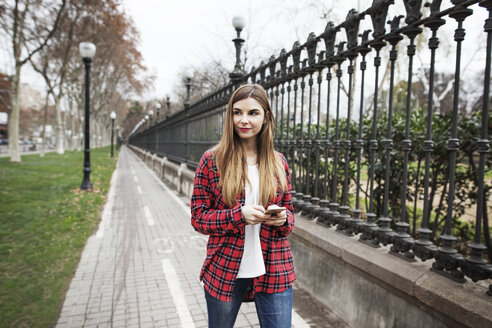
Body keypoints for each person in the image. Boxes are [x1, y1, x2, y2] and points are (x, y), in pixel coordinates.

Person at [191, 83, 296, 328]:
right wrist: (238, 216)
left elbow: (290, 216)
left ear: (266, 118)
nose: (243, 120)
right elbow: (198, 218)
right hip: (225, 266)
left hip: (274, 265)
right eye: (237, 112)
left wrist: (282, 219)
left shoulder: (279, 162)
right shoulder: (212, 161)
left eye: (253, 113)